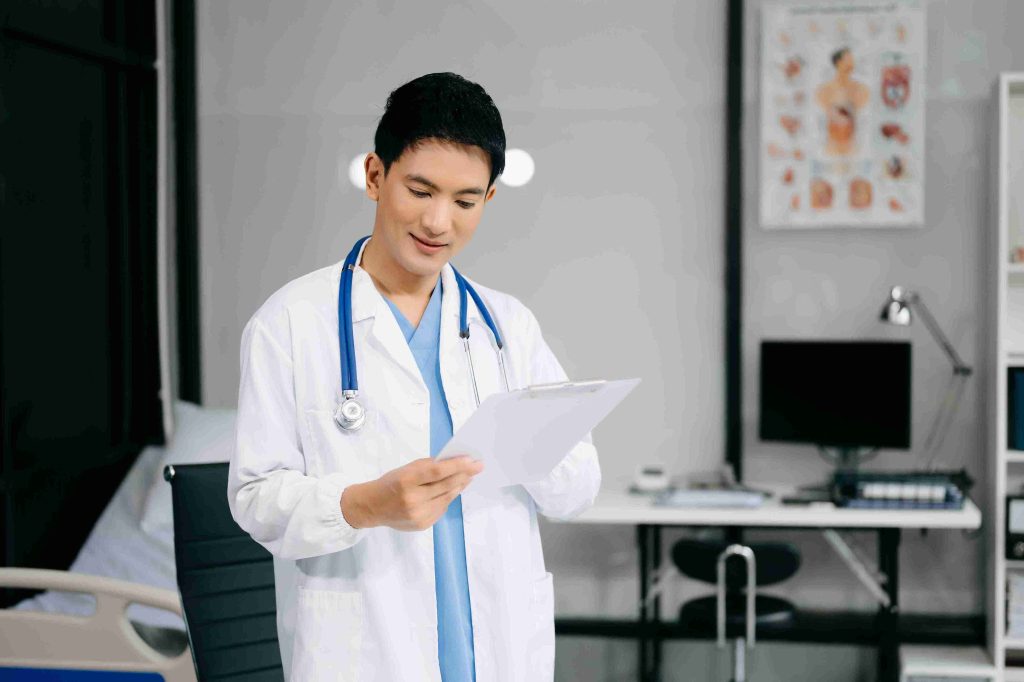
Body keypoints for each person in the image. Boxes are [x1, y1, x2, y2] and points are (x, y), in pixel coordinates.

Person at [227, 72, 601, 682]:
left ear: (488, 200)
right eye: (420, 190)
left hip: (498, 646)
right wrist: (362, 504)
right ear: (376, 176)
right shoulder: (291, 323)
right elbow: (254, 498)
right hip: (366, 652)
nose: (438, 222)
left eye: (464, 200)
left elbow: (578, 490)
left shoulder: (507, 326)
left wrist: (538, 445)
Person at [815, 47, 870, 157]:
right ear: (839, 63)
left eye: (852, 59)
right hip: (831, 149)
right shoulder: (823, 90)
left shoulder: (862, 90)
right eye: (849, 59)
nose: (853, 63)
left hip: (852, 149)